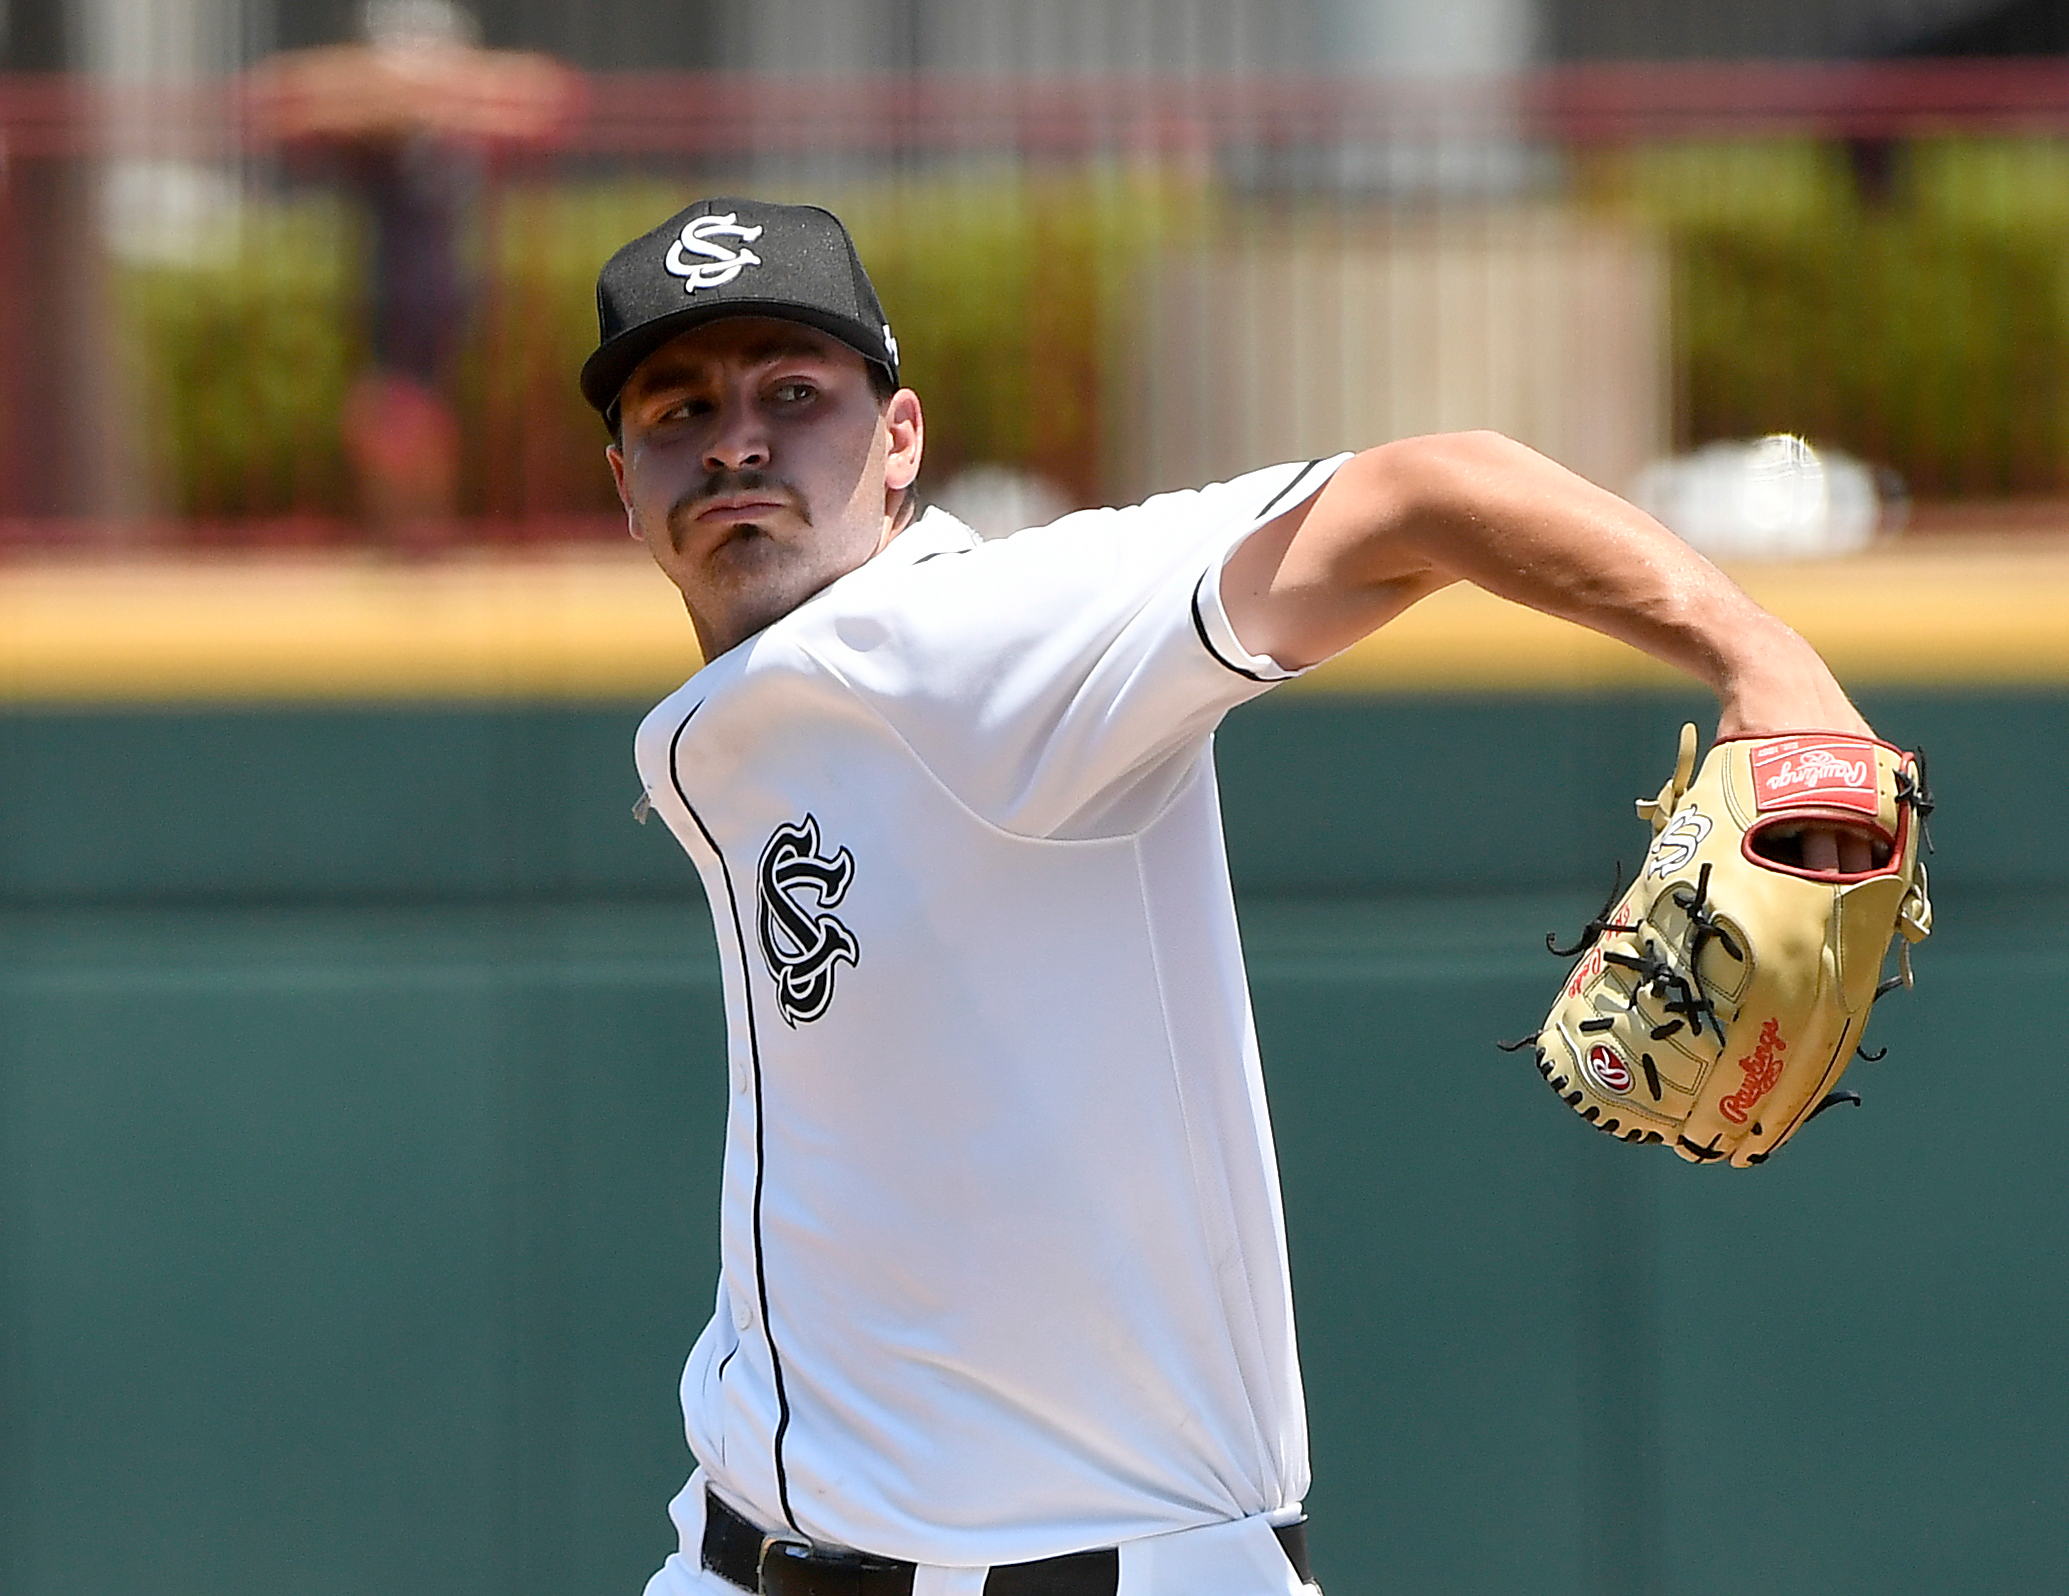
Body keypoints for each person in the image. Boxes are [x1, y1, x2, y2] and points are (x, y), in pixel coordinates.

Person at [581, 197, 1880, 1596]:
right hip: (733, 1546)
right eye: (679, 409)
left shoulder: (971, 639)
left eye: (793, 393)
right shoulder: (759, 711)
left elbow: (1426, 490)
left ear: (899, 440)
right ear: (626, 486)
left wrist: (1763, 661)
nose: (735, 443)